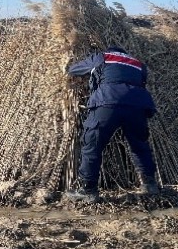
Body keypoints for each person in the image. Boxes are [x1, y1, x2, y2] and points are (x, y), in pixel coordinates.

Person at [64, 45, 159, 203]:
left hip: (107, 101)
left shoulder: (103, 56)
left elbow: (75, 70)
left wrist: (69, 67)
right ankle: (150, 185)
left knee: (92, 144)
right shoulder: (138, 63)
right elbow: (142, 82)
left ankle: (88, 190)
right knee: (139, 145)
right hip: (138, 105)